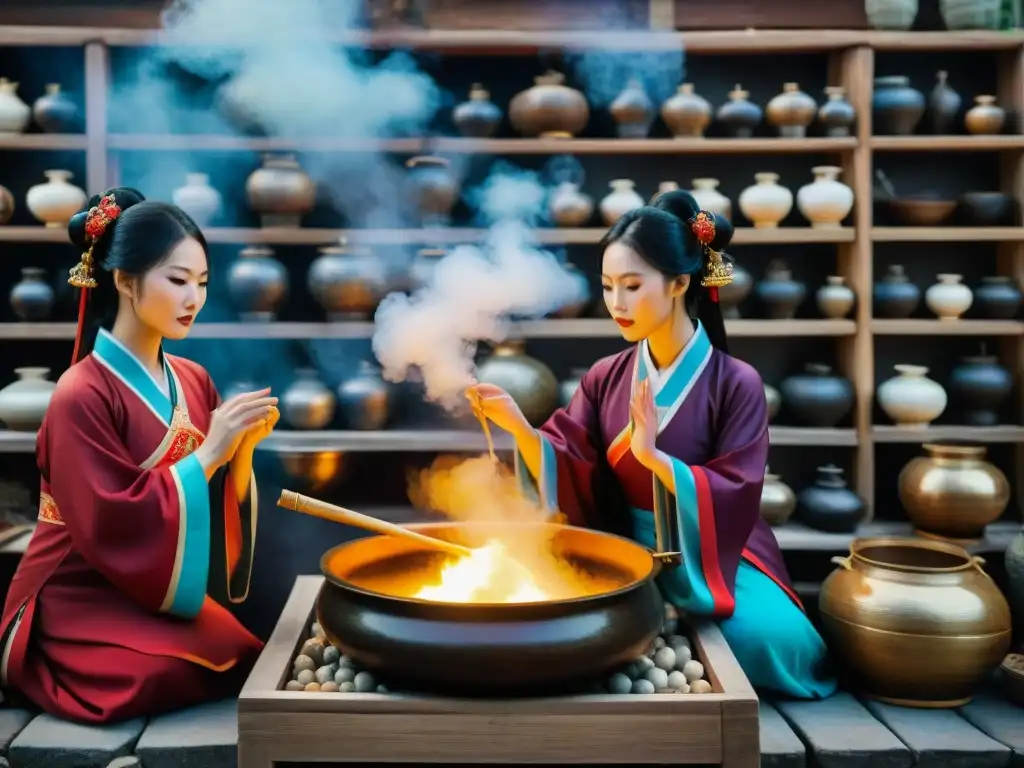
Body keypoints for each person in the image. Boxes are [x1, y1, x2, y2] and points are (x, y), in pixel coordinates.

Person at [468, 190, 837, 700]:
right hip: (620, 542)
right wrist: (523, 432)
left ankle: (668, 621)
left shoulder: (737, 382)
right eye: (607, 287)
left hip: (712, 552)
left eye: (633, 286)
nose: (617, 304)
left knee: (775, 641)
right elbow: (571, 459)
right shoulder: (605, 376)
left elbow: (738, 487)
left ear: (681, 283)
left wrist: (657, 462)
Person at [0, 187, 280, 724]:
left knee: (241, 652)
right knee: (156, 678)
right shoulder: (80, 392)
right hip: (78, 588)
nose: (192, 299)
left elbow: (210, 502)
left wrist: (239, 455)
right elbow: (109, 519)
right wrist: (210, 453)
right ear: (125, 281)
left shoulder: (193, 380)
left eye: (201, 283)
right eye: (176, 281)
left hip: (150, 585)